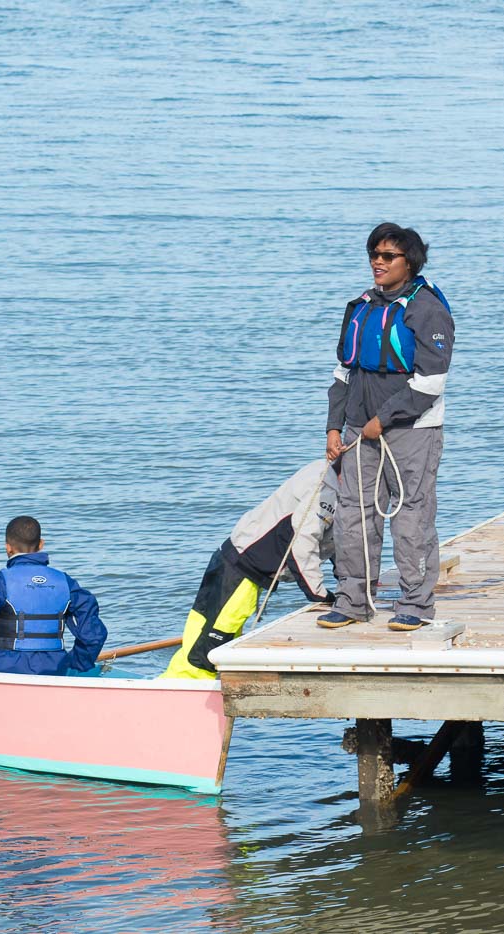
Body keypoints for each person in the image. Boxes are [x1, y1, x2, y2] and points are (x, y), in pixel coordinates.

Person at [318, 222, 454, 632]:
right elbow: (343, 372)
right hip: (359, 431)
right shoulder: (361, 306)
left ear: (408, 263)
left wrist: (384, 420)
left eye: (387, 256)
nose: (378, 263)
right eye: (373, 255)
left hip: (412, 431)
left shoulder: (427, 308)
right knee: (352, 515)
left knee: (411, 516)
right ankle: (354, 598)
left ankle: (416, 603)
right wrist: (333, 427)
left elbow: (431, 381)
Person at [161, 459, 339, 680]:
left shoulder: (324, 474)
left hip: (232, 554)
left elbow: (332, 539)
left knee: (205, 628)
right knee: (212, 641)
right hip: (243, 568)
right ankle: (186, 691)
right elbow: (301, 548)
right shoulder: (325, 492)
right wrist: (321, 595)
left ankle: (177, 680)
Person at [0, 516, 108, 676]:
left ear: (8, 548)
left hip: (2, 669)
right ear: (41, 544)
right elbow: (93, 635)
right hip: (54, 669)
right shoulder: (65, 582)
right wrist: (74, 663)